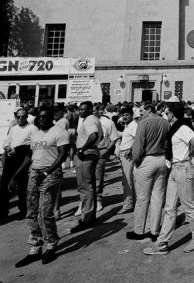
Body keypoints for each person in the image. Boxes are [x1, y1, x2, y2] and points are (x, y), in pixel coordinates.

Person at [143, 102, 194, 255]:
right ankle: (162, 243)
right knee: (169, 208)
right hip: (175, 169)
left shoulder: (183, 128)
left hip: (183, 168)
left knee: (188, 206)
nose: (166, 115)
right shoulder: (176, 127)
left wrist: (188, 156)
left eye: (167, 112)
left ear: (172, 114)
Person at [14, 107, 70, 267]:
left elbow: (62, 154)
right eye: (39, 117)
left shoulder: (59, 132)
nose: (41, 120)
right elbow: (30, 156)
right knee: (31, 211)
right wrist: (17, 174)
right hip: (34, 172)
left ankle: (51, 243)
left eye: (45, 117)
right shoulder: (35, 134)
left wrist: (48, 172)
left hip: (50, 174)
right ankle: (35, 246)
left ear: (51, 117)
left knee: (45, 212)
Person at [127, 102, 169, 241]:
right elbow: (168, 142)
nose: (140, 113)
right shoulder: (165, 122)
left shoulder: (143, 123)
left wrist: (136, 160)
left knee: (142, 198)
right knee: (157, 197)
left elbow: (138, 146)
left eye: (142, 110)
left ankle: (139, 231)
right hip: (161, 158)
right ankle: (154, 230)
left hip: (147, 159)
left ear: (149, 109)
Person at [71, 101, 102, 232]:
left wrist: (82, 149)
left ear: (90, 110)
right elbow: (100, 136)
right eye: (79, 109)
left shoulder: (89, 121)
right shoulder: (94, 120)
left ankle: (86, 218)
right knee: (90, 186)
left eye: (83, 109)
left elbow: (94, 135)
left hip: (86, 155)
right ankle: (90, 215)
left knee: (85, 187)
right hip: (92, 152)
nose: (80, 111)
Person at [0, 107, 36, 222]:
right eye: (18, 116)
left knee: (22, 188)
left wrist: (19, 149)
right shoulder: (14, 128)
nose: (21, 118)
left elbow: (33, 146)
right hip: (11, 159)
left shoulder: (32, 128)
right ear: (15, 116)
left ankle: (23, 211)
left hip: (23, 160)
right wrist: (7, 147)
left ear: (27, 117)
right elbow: (7, 140)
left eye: (23, 116)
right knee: (4, 187)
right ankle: (3, 213)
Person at [94, 104, 119, 211]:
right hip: (87, 152)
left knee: (98, 177)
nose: (97, 112)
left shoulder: (108, 122)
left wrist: (106, 150)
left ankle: (98, 199)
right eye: (95, 110)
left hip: (101, 151)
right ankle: (85, 201)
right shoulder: (86, 121)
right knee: (85, 178)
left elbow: (114, 138)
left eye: (100, 110)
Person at [117, 106, 137, 214]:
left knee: (127, 180)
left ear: (131, 115)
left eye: (127, 115)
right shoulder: (127, 125)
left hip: (127, 155)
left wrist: (130, 148)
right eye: (123, 115)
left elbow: (138, 138)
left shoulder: (133, 126)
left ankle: (128, 205)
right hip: (124, 154)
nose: (124, 117)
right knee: (128, 180)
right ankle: (131, 202)